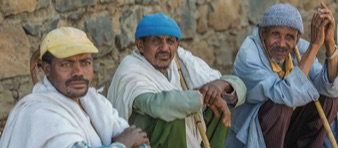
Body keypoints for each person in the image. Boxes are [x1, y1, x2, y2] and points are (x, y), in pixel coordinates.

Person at [106, 12, 247, 148]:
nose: (165, 48)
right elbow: (157, 105)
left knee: (221, 100)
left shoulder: (180, 60)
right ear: (140, 45)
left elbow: (239, 86)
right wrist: (204, 96)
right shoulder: (130, 70)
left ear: (177, 44)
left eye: (170, 41)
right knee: (172, 116)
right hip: (147, 142)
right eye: (156, 41)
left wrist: (221, 85)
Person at [0, 27, 149, 148]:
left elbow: (135, 138)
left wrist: (128, 141)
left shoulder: (94, 101)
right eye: (66, 64)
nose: (78, 72)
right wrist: (122, 144)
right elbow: (129, 140)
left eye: (85, 62)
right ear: (47, 69)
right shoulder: (40, 114)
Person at [225, 2, 338, 148]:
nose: (282, 44)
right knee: (279, 107)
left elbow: (330, 88)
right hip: (255, 139)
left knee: (329, 100)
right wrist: (315, 46)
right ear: (263, 34)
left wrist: (329, 43)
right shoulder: (249, 55)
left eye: (289, 37)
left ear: (297, 40)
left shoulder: (299, 49)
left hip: (286, 132)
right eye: (276, 34)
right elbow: (286, 95)